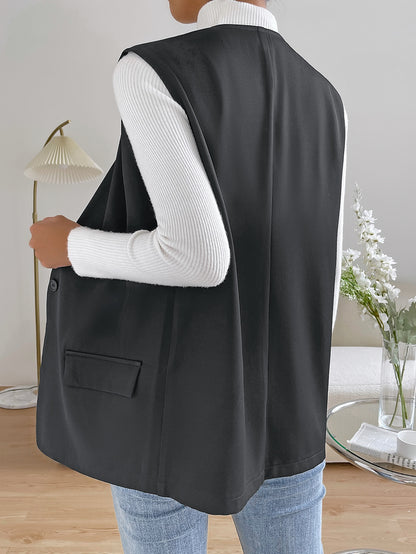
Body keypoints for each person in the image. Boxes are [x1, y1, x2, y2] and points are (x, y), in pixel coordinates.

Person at [29, 0, 348, 552]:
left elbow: (199, 255)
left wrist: (71, 245)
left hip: (171, 392)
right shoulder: (325, 94)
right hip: (289, 393)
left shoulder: (150, 69)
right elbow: (328, 271)